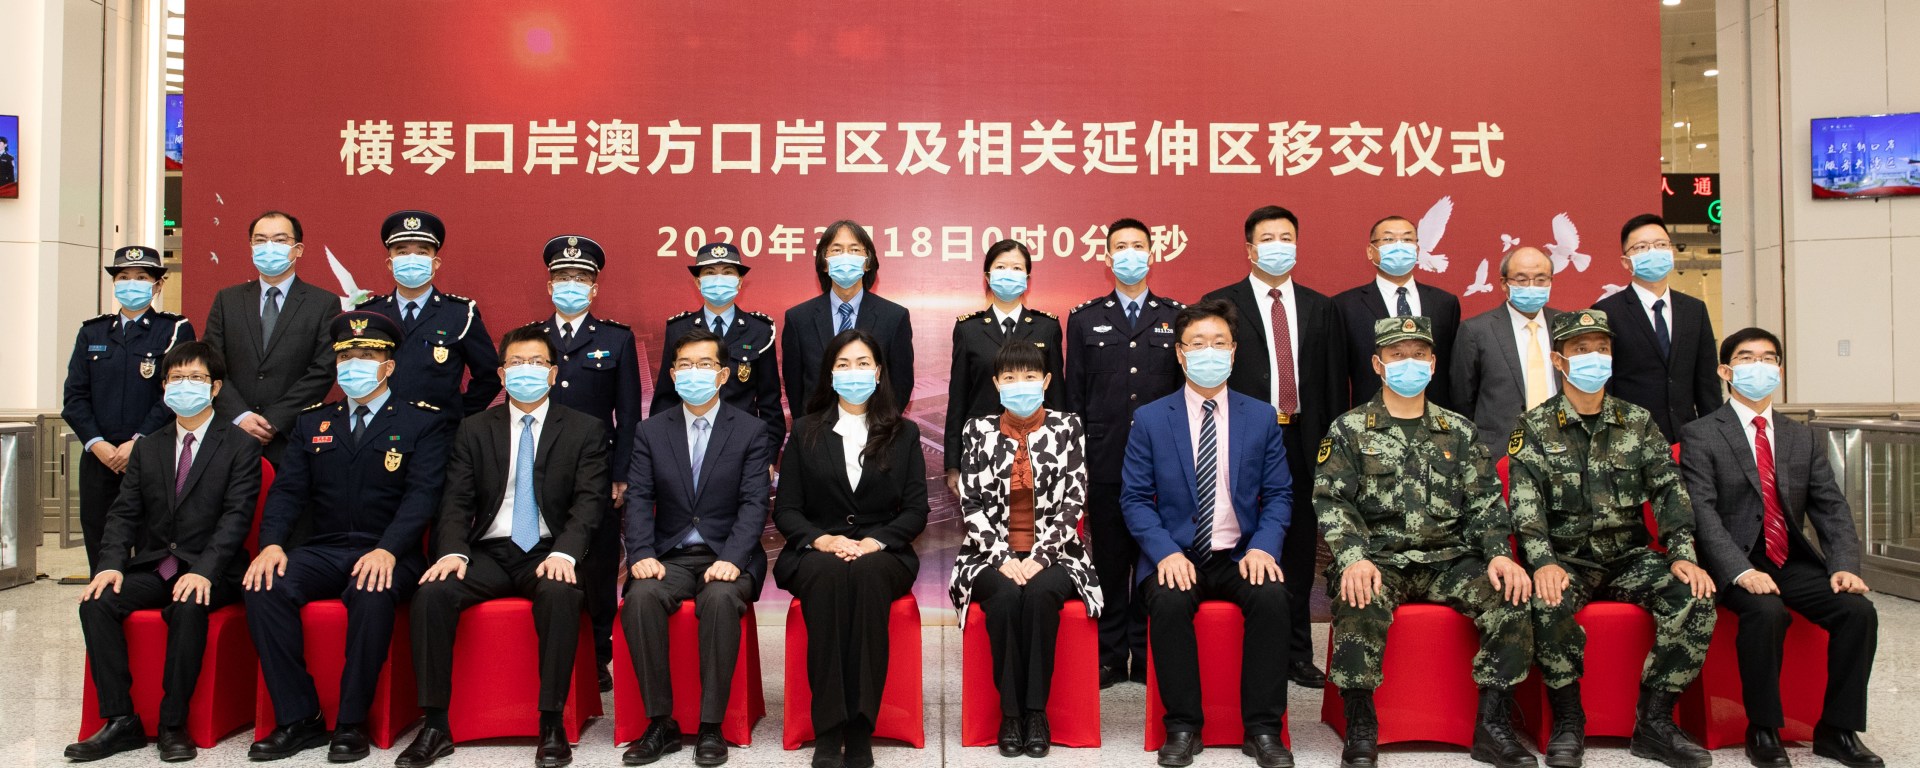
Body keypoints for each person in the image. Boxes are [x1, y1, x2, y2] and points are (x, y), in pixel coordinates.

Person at [1314, 316, 1534, 768]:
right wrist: (1353, 558)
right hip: (1378, 558)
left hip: (1449, 559)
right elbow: (1332, 501)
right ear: (1378, 364)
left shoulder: (1459, 430)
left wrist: (1499, 555)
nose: (1408, 363)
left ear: (1433, 364)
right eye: (1397, 355)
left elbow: (1485, 503)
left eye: (1418, 355)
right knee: (1359, 598)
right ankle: (1361, 724)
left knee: (1510, 596)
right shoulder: (1349, 429)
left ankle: (1492, 725)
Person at [1506, 309, 1716, 768]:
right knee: (1545, 601)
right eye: (1581, 349)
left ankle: (1655, 722)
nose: (1594, 357)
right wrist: (1542, 562)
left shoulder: (1637, 421)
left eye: (1601, 349)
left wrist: (1682, 553)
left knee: (1694, 596)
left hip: (1629, 557)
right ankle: (1568, 720)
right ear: (1559, 360)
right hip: (1567, 559)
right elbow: (1525, 506)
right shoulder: (1534, 427)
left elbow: (1669, 490)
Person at [242, 311, 452, 762]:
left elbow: (422, 498)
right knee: (264, 586)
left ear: (388, 366)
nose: (354, 364)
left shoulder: (422, 422)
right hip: (325, 548)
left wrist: (387, 549)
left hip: (391, 551)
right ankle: (300, 718)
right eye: (346, 356)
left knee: (371, 590)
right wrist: (271, 544)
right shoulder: (312, 423)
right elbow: (287, 493)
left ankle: (351, 723)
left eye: (367, 356)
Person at [396, 324, 609, 768]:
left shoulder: (584, 429)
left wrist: (566, 553)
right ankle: (435, 725)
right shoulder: (474, 429)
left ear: (553, 373)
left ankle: (551, 724)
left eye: (537, 362)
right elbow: (455, 501)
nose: (526, 370)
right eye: (516, 362)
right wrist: (451, 551)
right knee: (432, 594)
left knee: (560, 593)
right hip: (489, 552)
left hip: (548, 550)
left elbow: (589, 504)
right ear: (501, 372)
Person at [1680, 327, 1882, 768]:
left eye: (1768, 358)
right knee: (1766, 612)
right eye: (1746, 358)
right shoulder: (1700, 434)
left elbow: (1830, 507)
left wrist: (1844, 564)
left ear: (1780, 370)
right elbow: (1703, 514)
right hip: (1734, 561)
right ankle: (1763, 729)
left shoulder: (1799, 436)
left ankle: (1837, 730)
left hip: (1788, 558)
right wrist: (1740, 571)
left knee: (1858, 612)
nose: (1759, 366)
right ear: (1725, 371)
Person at [67, 342, 261, 763]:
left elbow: (236, 519)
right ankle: (121, 720)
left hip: (213, 570)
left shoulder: (240, 446)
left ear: (215, 388)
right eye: (176, 378)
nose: (184, 385)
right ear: (164, 387)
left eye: (195, 378)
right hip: (157, 566)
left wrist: (205, 570)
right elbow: (123, 513)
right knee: (97, 601)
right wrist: (109, 565)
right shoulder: (149, 446)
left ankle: (174, 724)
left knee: (188, 605)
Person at [1121, 298, 1294, 768]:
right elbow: (1134, 500)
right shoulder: (1152, 418)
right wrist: (1163, 553)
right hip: (1178, 552)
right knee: (1169, 601)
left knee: (1273, 597)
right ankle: (1182, 727)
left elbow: (1279, 494)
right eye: (1197, 343)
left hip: (1240, 552)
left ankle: (1263, 729)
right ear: (1180, 353)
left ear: (1234, 351)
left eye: (1219, 342)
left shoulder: (1261, 416)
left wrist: (1264, 547)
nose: (1209, 351)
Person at [1203, 204, 1349, 689]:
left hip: (1303, 438)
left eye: (1286, 237)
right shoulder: (1220, 303)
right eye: (1267, 239)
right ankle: (1250, 644)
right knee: (1246, 537)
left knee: (1301, 547)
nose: (1278, 246)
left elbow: (1333, 384)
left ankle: (1298, 652)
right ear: (1249, 248)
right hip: (1242, 436)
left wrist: (1333, 448)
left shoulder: (1320, 307)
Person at [773, 329, 928, 768]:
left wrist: (875, 541)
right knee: (825, 576)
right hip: (818, 548)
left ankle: (860, 727)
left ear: (878, 373)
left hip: (883, 551)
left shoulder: (904, 432)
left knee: (866, 574)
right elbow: (787, 510)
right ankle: (828, 729)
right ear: (830, 374)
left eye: (863, 363)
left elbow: (915, 511)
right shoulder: (805, 430)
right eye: (843, 364)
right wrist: (822, 540)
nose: (853, 372)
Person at [620, 329, 772, 767]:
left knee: (721, 600)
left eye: (705, 364)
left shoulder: (751, 430)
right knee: (640, 598)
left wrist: (732, 559)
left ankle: (711, 726)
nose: (694, 373)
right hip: (669, 555)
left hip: (728, 554)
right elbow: (638, 498)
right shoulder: (651, 430)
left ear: (723, 375)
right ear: (672, 374)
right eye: (685, 365)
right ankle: (660, 723)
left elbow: (754, 503)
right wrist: (641, 554)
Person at [950, 342, 1102, 759]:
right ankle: (1010, 715)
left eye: (1030, 376)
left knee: (1038, 596)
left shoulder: (1067, 427)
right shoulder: (977, 430)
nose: (1021, 384)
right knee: (1002, 598)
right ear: (997, 383)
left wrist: (1039, 557)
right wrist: (1002, 557)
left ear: (1047, 381)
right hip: (986, 553)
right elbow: (971, 503)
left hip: (1057, 552)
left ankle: (1036, 713)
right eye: (1010, 377)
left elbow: (1074, 500)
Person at [1066, 217, 1184, 689]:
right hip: (1105, 459)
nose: (1130, 254)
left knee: (1155, 560)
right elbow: (1074, 398)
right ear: (1107, 257)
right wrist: (1077, 464)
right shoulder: (1083, 318)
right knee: (1111, 564)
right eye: (1121, 246)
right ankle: (1111, 655)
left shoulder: (1176, 316)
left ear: (1151, 255)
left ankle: (1146, 651)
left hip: (1164, 464)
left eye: (1138, 246)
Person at [533, 233, 641, 691]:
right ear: (549, 285)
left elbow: (630, 414)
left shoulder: (616, 338)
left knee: (596, 566)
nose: (570, 285)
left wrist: (621, 474)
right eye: (563, 277)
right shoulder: (531, 340)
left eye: (580, 278)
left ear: (594, 288)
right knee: (546, 555)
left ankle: (598, 654)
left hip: (597, 469)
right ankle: (551, 649)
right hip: (539, 466)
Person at [63, 245, 196, 570]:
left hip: (153, 453)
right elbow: (74, 397)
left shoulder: (174, 329)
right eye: (123, 277)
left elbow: (174, 394)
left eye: (141, 278)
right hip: (100, 457)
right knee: (100, 540)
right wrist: (98, 444)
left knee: (152, 545)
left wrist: (138, 441)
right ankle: (103, 599)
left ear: (158, 285)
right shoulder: (92, 332)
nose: (131, 284)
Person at [203, 210, 344, 464]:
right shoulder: (227, 300)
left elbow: (322, 370)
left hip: (289, 439)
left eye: (279, 240)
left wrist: (273, 420)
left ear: (298, 249)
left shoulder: (323, 303)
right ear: (251, 248)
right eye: (260, 240)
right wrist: (241, 416)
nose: (269, 247)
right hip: (230, 438)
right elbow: (211, 366)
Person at [945, 239, 1063, 498]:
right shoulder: (968, 329)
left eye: (1017, 268)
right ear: (987, 276)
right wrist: (953, 463)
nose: (1009, 273)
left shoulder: (1047, 327)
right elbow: (958, 399)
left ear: (1027, 278)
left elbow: (1057, 397)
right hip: (982, 445)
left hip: (1037, 446)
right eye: (1001, 267)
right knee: (984, 518)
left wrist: (1062, 449)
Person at [1592, 214, 1720, 443]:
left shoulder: (1695, 310)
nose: (1653, 252)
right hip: (1629, 441)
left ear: (1671, 252)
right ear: (1626, 261)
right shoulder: (1606, 312)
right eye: (1641, 247)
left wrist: (1713, 440)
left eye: (1661, 244)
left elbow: (1707, 384)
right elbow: (1604, 386)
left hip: (1687, 440)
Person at [363, 209, 502, 418]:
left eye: (422, 252)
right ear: (390, 263)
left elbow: (490, 375)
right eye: (402, 252)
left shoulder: (460, 313)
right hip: (378, 427)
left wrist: (455, 416)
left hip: (438, 432)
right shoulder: (369, 314)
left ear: (435, 262)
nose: (411, 259)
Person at [653, 242, 784, 453]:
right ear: (698, 282)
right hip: (688, 441)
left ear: (739, 282)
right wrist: (661, 450)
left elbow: (770, 402)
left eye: (728, 272)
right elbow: (665, 397)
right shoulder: (678, 329)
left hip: (744, 445)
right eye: (710, 272)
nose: (718, 279)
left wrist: (767, 456)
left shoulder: (759, 330)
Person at [781, 220, 916, 416]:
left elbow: (901, 384)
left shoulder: (894, 317)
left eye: (854, 250)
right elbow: (794, 387)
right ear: (824, 263)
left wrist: (882, 426)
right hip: (816, 429)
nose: (845, 256)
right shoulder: (799, 319)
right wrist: (807, 428)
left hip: (875, 429)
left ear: (867, 262)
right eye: (837, 250)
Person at [1332, 216, 1461, 409]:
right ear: (1370, 251)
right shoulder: (1345, 305)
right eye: (1389, 239)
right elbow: (1336, 376)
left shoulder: (1445, 303)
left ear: (1417, 250)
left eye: (1407, 239)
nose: (1399, 246)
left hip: (1434, 417)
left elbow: (1455, 371)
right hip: (1369, 419)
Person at [1451, 246, 1565, 456]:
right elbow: (1462, 399)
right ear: (1504, 283)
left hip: (1561, 447)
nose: (1532, 286)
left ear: (1551, 281)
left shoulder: (1565, 325)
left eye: (1541, 279)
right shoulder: (1476, 330)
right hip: (1499, 452)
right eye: (1521, 279)